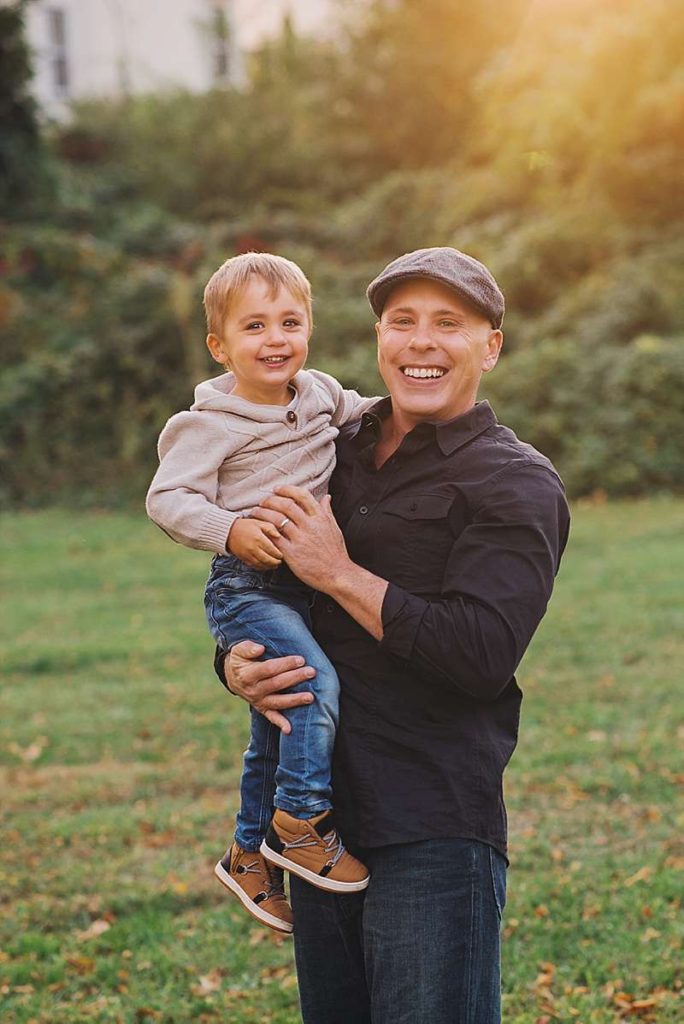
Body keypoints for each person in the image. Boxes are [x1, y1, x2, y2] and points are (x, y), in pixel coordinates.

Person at [216, 247, 571, 1023]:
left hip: (430, 824)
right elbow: (253, 578)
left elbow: (479, 655)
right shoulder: (325, 446)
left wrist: (339, 572)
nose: (421, 343)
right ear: (378, 337)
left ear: (491, 345)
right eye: (402, 321)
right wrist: (235, 665)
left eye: (450, 323)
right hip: (316, 827)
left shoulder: (514, 482)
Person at [146, 253, 378, 937]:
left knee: (276, 721)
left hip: (306, 584)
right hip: (248, 587)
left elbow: (372, 416)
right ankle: (300, 822)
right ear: (221, 347)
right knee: (310, 687)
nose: (275, 338)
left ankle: (248, 853)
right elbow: (168, 499)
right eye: (254, 326)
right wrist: (232, 528)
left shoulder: (321, 394)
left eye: (290, 322)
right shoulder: (209, 423)